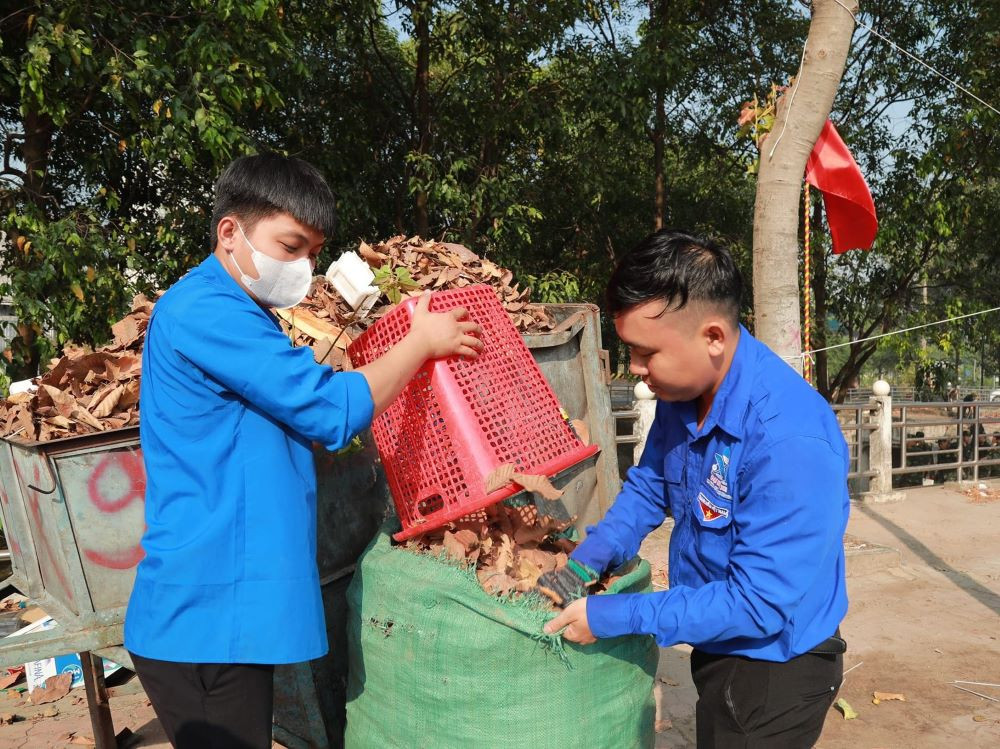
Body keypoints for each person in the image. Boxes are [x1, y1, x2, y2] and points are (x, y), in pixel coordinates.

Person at [124, 153, 482, 748]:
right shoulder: (205, 311)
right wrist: (420, 344)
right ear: (230, 232)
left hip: (225, 609)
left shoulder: (245, 313)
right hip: (206, 615)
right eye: (290, 247)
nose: (303, 268)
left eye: (313, 253)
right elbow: (328, 409)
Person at [539, 229, 848, 748]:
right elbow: (650, 485)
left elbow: (756, 605)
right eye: (630, 350)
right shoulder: (685, 391)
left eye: (646, 353)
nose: (636, 370)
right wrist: (586, 561)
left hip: (775, 670)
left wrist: (614, 616)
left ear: (713, 337)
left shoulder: (790, 440)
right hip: (718, 641)